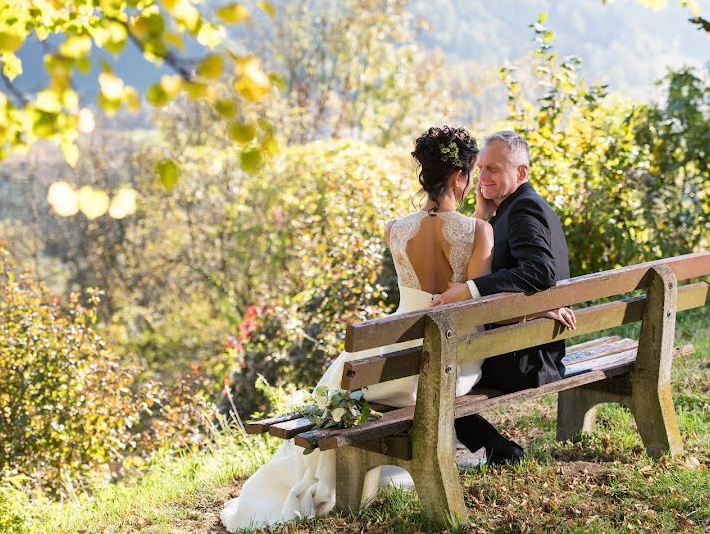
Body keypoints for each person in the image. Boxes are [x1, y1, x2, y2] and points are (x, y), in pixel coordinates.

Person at [221, 125, 493, 531]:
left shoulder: (395, 229)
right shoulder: (477, 231)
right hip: (448, 365)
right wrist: (482, 223)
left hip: (385, 364)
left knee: (339, 384)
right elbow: (476, 304)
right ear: (460, 177)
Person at [430, 130, 575, 465]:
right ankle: (496, 448)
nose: (482, 177)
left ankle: (496, 447)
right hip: (531, 345)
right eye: (480, 168)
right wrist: (482, 214)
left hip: (524, 360)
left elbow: (541, 271)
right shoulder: (517, 207)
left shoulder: (523, 211)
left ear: (521, 173)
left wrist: (469, 290)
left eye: (493, 169)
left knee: (432, 376)